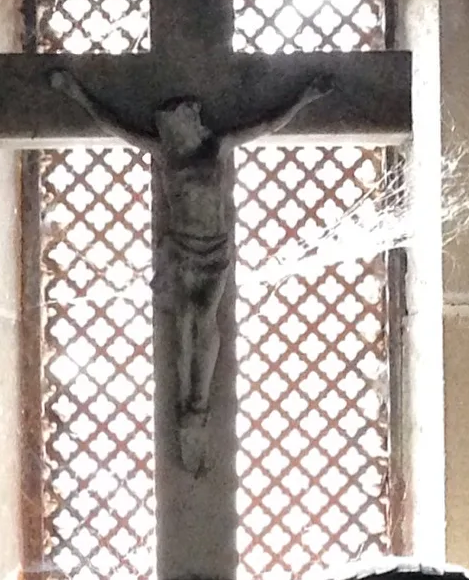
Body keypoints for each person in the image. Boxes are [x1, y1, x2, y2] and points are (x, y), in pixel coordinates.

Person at [48, 68, 331, 474]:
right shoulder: (166, 157)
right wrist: (76, 92)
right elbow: (116, 128)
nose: (183, 133)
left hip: (214, 251)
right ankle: (188, 409)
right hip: (181, 251)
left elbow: (267, 124)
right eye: (177, 128)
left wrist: (305, 97)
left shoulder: (217, 148)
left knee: (202, 316)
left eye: (184, 125)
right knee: (182, 324)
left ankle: (198, 404)